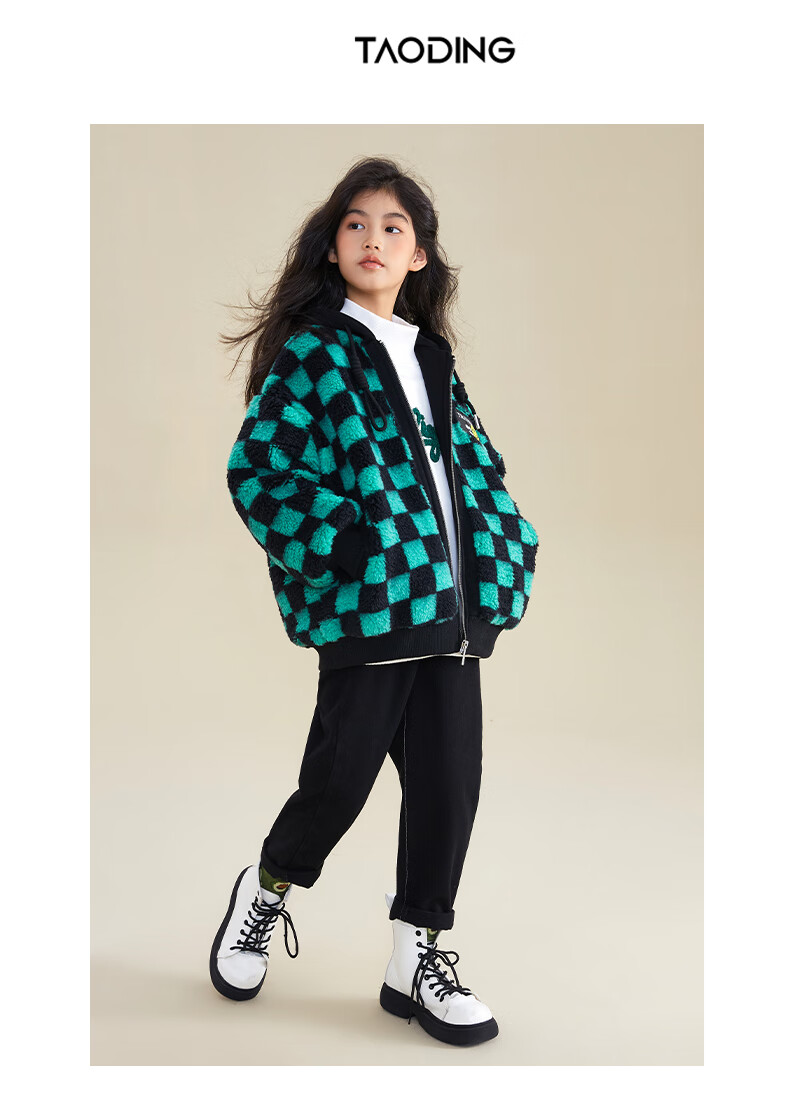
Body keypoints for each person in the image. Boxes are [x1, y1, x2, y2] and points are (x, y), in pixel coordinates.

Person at [209, 156, 539, 1047]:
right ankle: (265, 890)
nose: (373, 239)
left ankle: (416, 955)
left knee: (448, 787)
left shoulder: (433, 357)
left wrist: (510, 548)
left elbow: (476, 472)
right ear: (332, 245)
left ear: (419, 254)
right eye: (356, 223)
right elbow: (259, 470)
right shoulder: (316, 350)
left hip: (450, 614)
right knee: (340, 780)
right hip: (371, 607)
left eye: (394, 227)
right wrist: (346, 545)